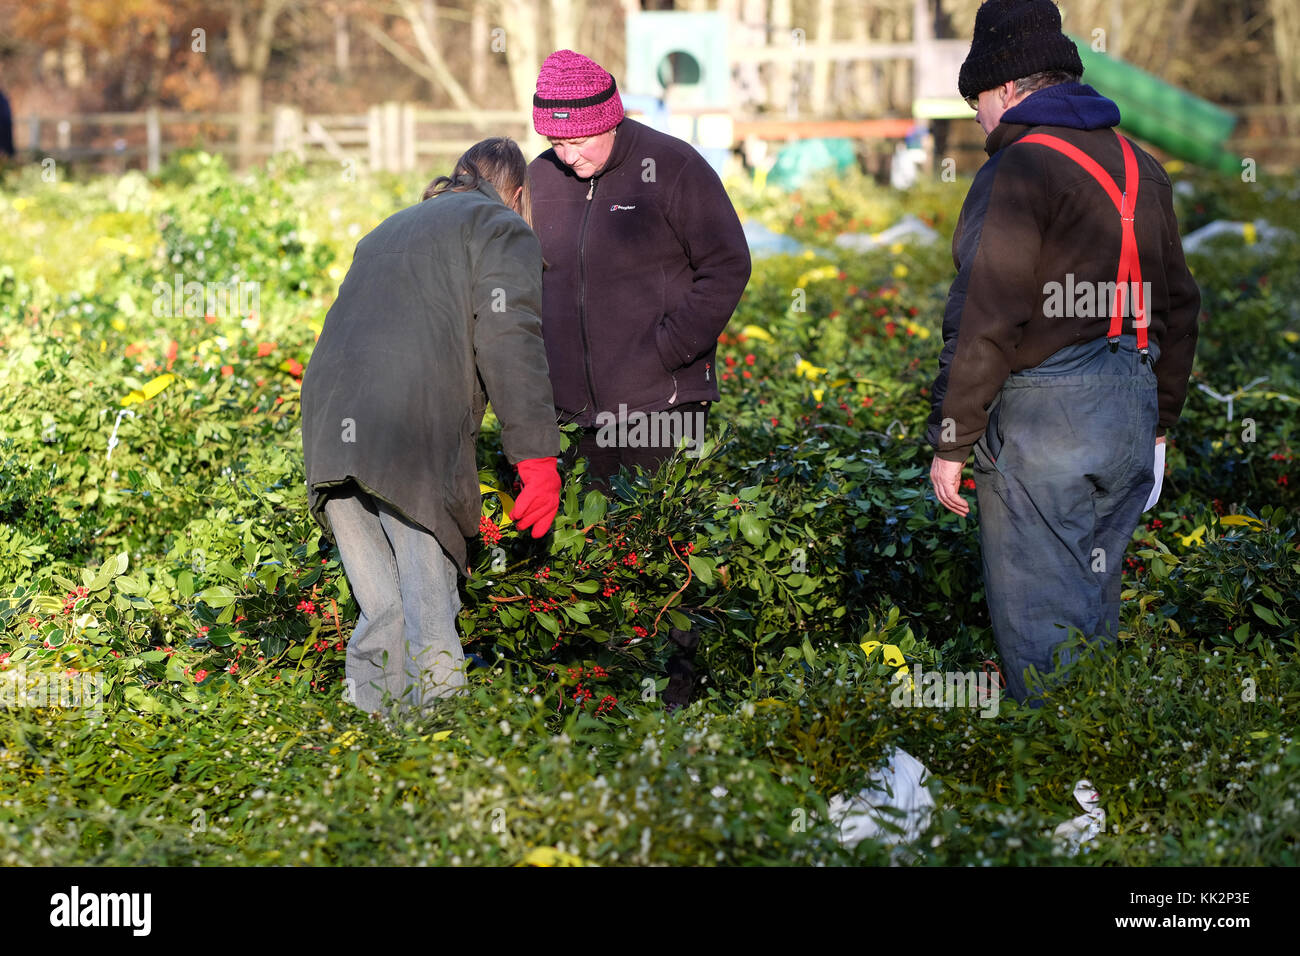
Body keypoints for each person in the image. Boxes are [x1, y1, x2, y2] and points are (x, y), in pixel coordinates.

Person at [925, 0, 1200, 705]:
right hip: (1129, 409)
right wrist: (1161, 420)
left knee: (1042, 624)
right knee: (1091, 611)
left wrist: (952, 438)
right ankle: (1106, 782)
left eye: (978, 101)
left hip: (1049, 419)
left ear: (1010, 88)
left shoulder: (1021, 170)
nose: (980, 120)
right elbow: (1178, 305)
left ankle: (1060, 795)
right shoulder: (1142, 165)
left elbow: (986, 311)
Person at [301, 138, 562, 718]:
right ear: (516, 193)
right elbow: (509, 341)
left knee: (381, 609)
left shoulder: (392, 226)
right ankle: (440, 752)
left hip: (329, 427)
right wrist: (537, 458)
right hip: (407, 436)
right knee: (427, 604)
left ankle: (371, 746)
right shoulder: (501, 227)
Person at [527, 49, 752, 488]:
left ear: (610, 120)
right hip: (570, 414)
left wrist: (668, 349)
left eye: (578, 142)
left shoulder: (673, 166)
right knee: (585, 547)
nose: (567, 156)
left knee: (654, 543)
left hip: (662, 405)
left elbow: (727, 264)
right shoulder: (539, 178)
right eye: (556, 142)